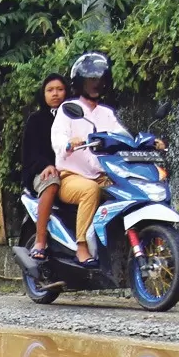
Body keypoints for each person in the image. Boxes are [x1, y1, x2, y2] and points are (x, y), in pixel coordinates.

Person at [49, 51, 126, 266]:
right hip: (71, 176)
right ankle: (81, 246)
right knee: (89, 190)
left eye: (99, 80)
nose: (96, 84)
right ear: (80, 83)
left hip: (102, 175)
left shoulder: (106, 114)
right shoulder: (68, 110)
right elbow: (57, 138)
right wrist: (68, 144)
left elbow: (122, 136)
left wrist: (147, 142)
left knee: (131, 189)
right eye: (90, 80)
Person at [19, 74, 68, 260]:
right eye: (50, 90)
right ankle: (40, 240)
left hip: (72, 171)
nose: (55, 94)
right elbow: (30, 153)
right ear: (43, 94)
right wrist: (46, 166)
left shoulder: (75, 117)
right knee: (52, 181)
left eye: (60, 89)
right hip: (41, 172)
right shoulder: (36, 120)